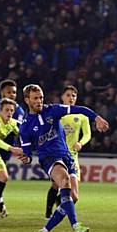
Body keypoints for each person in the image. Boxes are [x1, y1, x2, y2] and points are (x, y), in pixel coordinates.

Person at [19, 84, 109, 232]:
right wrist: (26, 158)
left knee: (73, 197)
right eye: (35, 98)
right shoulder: (25, 126)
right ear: (27, 100)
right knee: (64, 181)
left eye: (41, 97)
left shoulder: (53, 110)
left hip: (68, 156)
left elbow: (80, 109)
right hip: (49, 158)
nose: (39, 101)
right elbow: (27, 152)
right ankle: (76, 226)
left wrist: (96, 118)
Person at [45, 85, 92, 218]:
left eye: (73, 95)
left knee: (74, 196)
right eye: (68, 95)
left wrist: (80, 143)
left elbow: (87, 134)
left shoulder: (82, 116)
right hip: (57, 155)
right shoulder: (57, 113)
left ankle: (59, 205)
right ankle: (48, 212)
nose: (71, 98)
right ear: (62, 97)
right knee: (55, 184)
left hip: (72, 156)